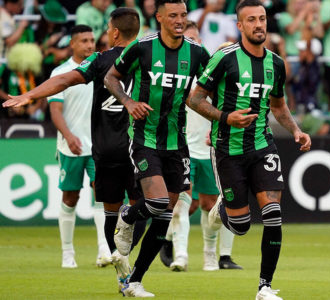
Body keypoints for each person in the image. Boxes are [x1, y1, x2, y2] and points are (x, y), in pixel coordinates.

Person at [2, 8, 146, 292]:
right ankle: (124, 261)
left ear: (113, 32)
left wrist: (30, 94)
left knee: (110, 211)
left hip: (104, 148)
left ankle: (120, 265)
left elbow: (64, 80)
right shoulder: (150, 56)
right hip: (140, 147)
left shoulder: (100, 60)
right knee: (146, 205)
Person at [188, 0, 311, 299]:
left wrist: (295, 130)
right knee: (240, 225)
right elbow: (195, 99)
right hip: (227, 148)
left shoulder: (276, 63)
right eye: (251, 20)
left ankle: (264, 287)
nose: (259, 24)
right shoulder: (224, 59)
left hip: (261, 145)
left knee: (272, 213)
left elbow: (278, 105)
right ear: (240, 26)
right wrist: (225, 117)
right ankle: (222, 209)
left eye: (262, 18)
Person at [104, 0, 210, 297]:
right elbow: (111, 77)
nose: (179, 20)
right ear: (159, 17)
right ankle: (126, 217)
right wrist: (129, 102)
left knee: (165, 214)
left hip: (178, 142)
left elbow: (215, 83)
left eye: (183, 15)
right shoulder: (142, 47)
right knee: (158, 203)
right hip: (144, 138)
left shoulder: (197, 52)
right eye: (173, 15)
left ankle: (133, 281)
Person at [160, 24, 242, 272]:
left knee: (212, 206)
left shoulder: (215, 75)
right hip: (183, 148)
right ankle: (181, 256)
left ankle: (212, 256)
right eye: (187, 39)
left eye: (195, 39)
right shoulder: (178, 74)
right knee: (181, 203)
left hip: (211, 149)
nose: (191, 44)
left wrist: (218, 128)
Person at [48, 25, 111, 269]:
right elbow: (55, 111)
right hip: (70, 146)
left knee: (102, 195)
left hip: (98, 146)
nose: (89, 45)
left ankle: (104, 250)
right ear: (72, 44)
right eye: (83, 40)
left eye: (92, 40)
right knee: (70, 197)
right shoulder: (61, 72)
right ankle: (67, 253)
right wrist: (68, 135)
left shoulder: (103, 69)